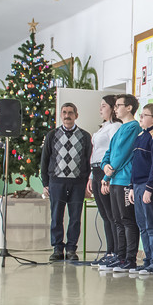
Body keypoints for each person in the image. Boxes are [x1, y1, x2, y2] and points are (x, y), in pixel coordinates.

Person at [39, 102, 91, 262]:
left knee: (75, 218)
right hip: (56, 182)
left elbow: (88, 160)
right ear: (60, 115)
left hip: (78, 183)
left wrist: (87, 182)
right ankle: (57, 248)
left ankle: (71, 249)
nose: (67, 116)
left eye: (70, 112)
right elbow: (45, 159)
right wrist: (45, 183)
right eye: (64, 112)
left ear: (76, 115)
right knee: (56, 217)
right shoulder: (52, 135)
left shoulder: (85, 136)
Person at [98, 95, 142, 272]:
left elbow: (122, 154)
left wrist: (108, 175)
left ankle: (129, 258)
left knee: (127, 219)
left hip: (124, 179)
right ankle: (119, 255)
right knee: (117, 219)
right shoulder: (119, 129)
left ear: (129, 107)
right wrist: (104, 166)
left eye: (118, 105)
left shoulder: (133, 127)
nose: (115, 109)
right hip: (115, 179)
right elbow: (109, 152)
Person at [127, 102, 153, 276]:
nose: (141, 118)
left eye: (144, 115)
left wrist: (150, 187)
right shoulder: (141, 136)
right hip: (136, 185)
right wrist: (130, 187)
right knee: (142, 225)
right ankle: (148, 259)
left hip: (147, 185)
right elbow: (135, 163)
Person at [88, 96, 121, 266]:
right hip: (96, 170)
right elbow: (96, 152)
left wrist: (107, 176)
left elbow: (115, 151)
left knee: (112, 214)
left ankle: (116, 251)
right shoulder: (103, 127)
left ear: (113, 108)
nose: (100, 109)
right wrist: (91, 177)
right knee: (105, 215)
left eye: (103, 106)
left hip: (106, 171)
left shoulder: (115, 127)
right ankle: (109, 251)